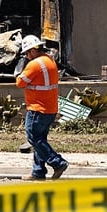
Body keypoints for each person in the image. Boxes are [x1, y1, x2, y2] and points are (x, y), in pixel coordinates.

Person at [15, 34, 69, 180]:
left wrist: (20, 69)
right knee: (40, 140)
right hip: (50, 109)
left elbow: (19, 83)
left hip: (37, 109)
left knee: (34, 138)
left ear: (33, 50)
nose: (26, 56)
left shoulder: (34, 65)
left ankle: (58, 162)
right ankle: (38, 172)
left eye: (27, 53)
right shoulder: (49, 60)